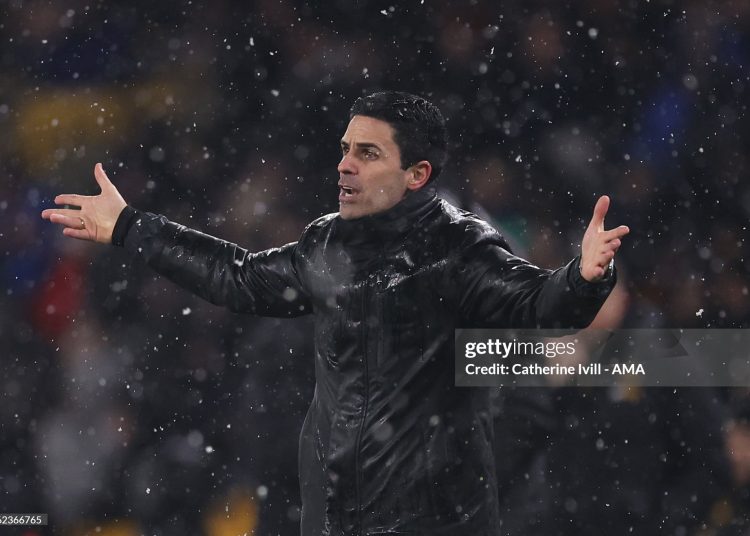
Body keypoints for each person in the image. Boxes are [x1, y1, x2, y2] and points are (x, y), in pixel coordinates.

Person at [41, 91, 630, 536]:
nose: (345, 165)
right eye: (345, 149)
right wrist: (130, 228)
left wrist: (583, 277)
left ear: (416, 175)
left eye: (367, 153)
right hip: (335, 512)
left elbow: (539, 304)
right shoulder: (328, 244)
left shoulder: (459, 248)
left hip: (434, 518)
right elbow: (240, 277)